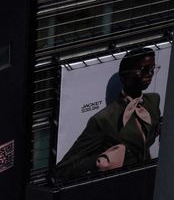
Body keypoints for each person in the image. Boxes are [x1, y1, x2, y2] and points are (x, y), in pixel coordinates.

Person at [55, 47, 162, 181]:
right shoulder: (104, 120)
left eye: (153, 69)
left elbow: (153, 129)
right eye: (143, 70)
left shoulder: (153, 101)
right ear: (125, 74)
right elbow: (63, 169)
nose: (149, 74)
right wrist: (100, 160)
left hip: (150, 181)